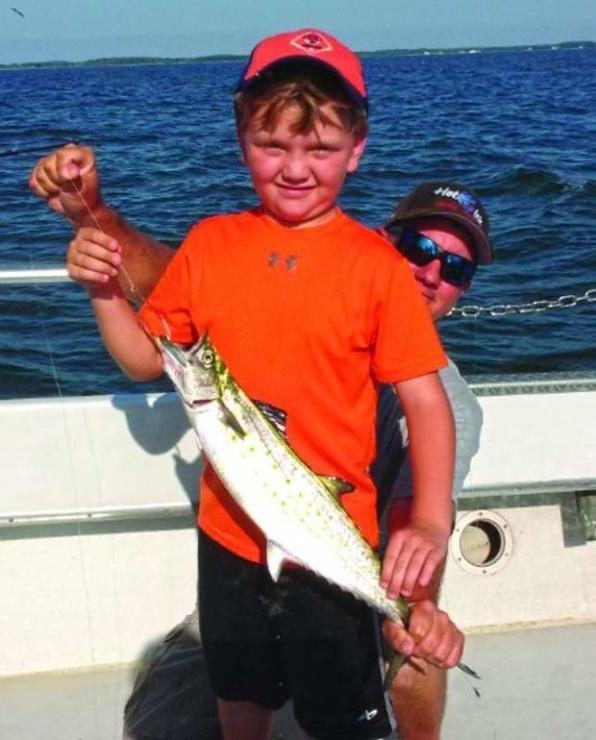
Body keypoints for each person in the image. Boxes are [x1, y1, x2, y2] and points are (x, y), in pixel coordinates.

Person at [30, 29, 460, 740]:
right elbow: (145, 360)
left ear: (357, 149)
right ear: (239, 137)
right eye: (273, 146)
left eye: (319, 150)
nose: (295, 168)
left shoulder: (376, 266)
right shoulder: (210, 244)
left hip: (333, 540)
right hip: (228, 537)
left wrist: (430, 522)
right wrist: (105, 289)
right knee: (241, 702)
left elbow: (426, 401)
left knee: (339, 718)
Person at [374, 182, 493, 740]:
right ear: (383, 241)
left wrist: (414, 608)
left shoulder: (453, 410)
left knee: (418, 643)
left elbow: (415, 521)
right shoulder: (309, 323)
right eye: (419, 250)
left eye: (455, 270)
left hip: (365, 574)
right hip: (252, 563)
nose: (431, 275)